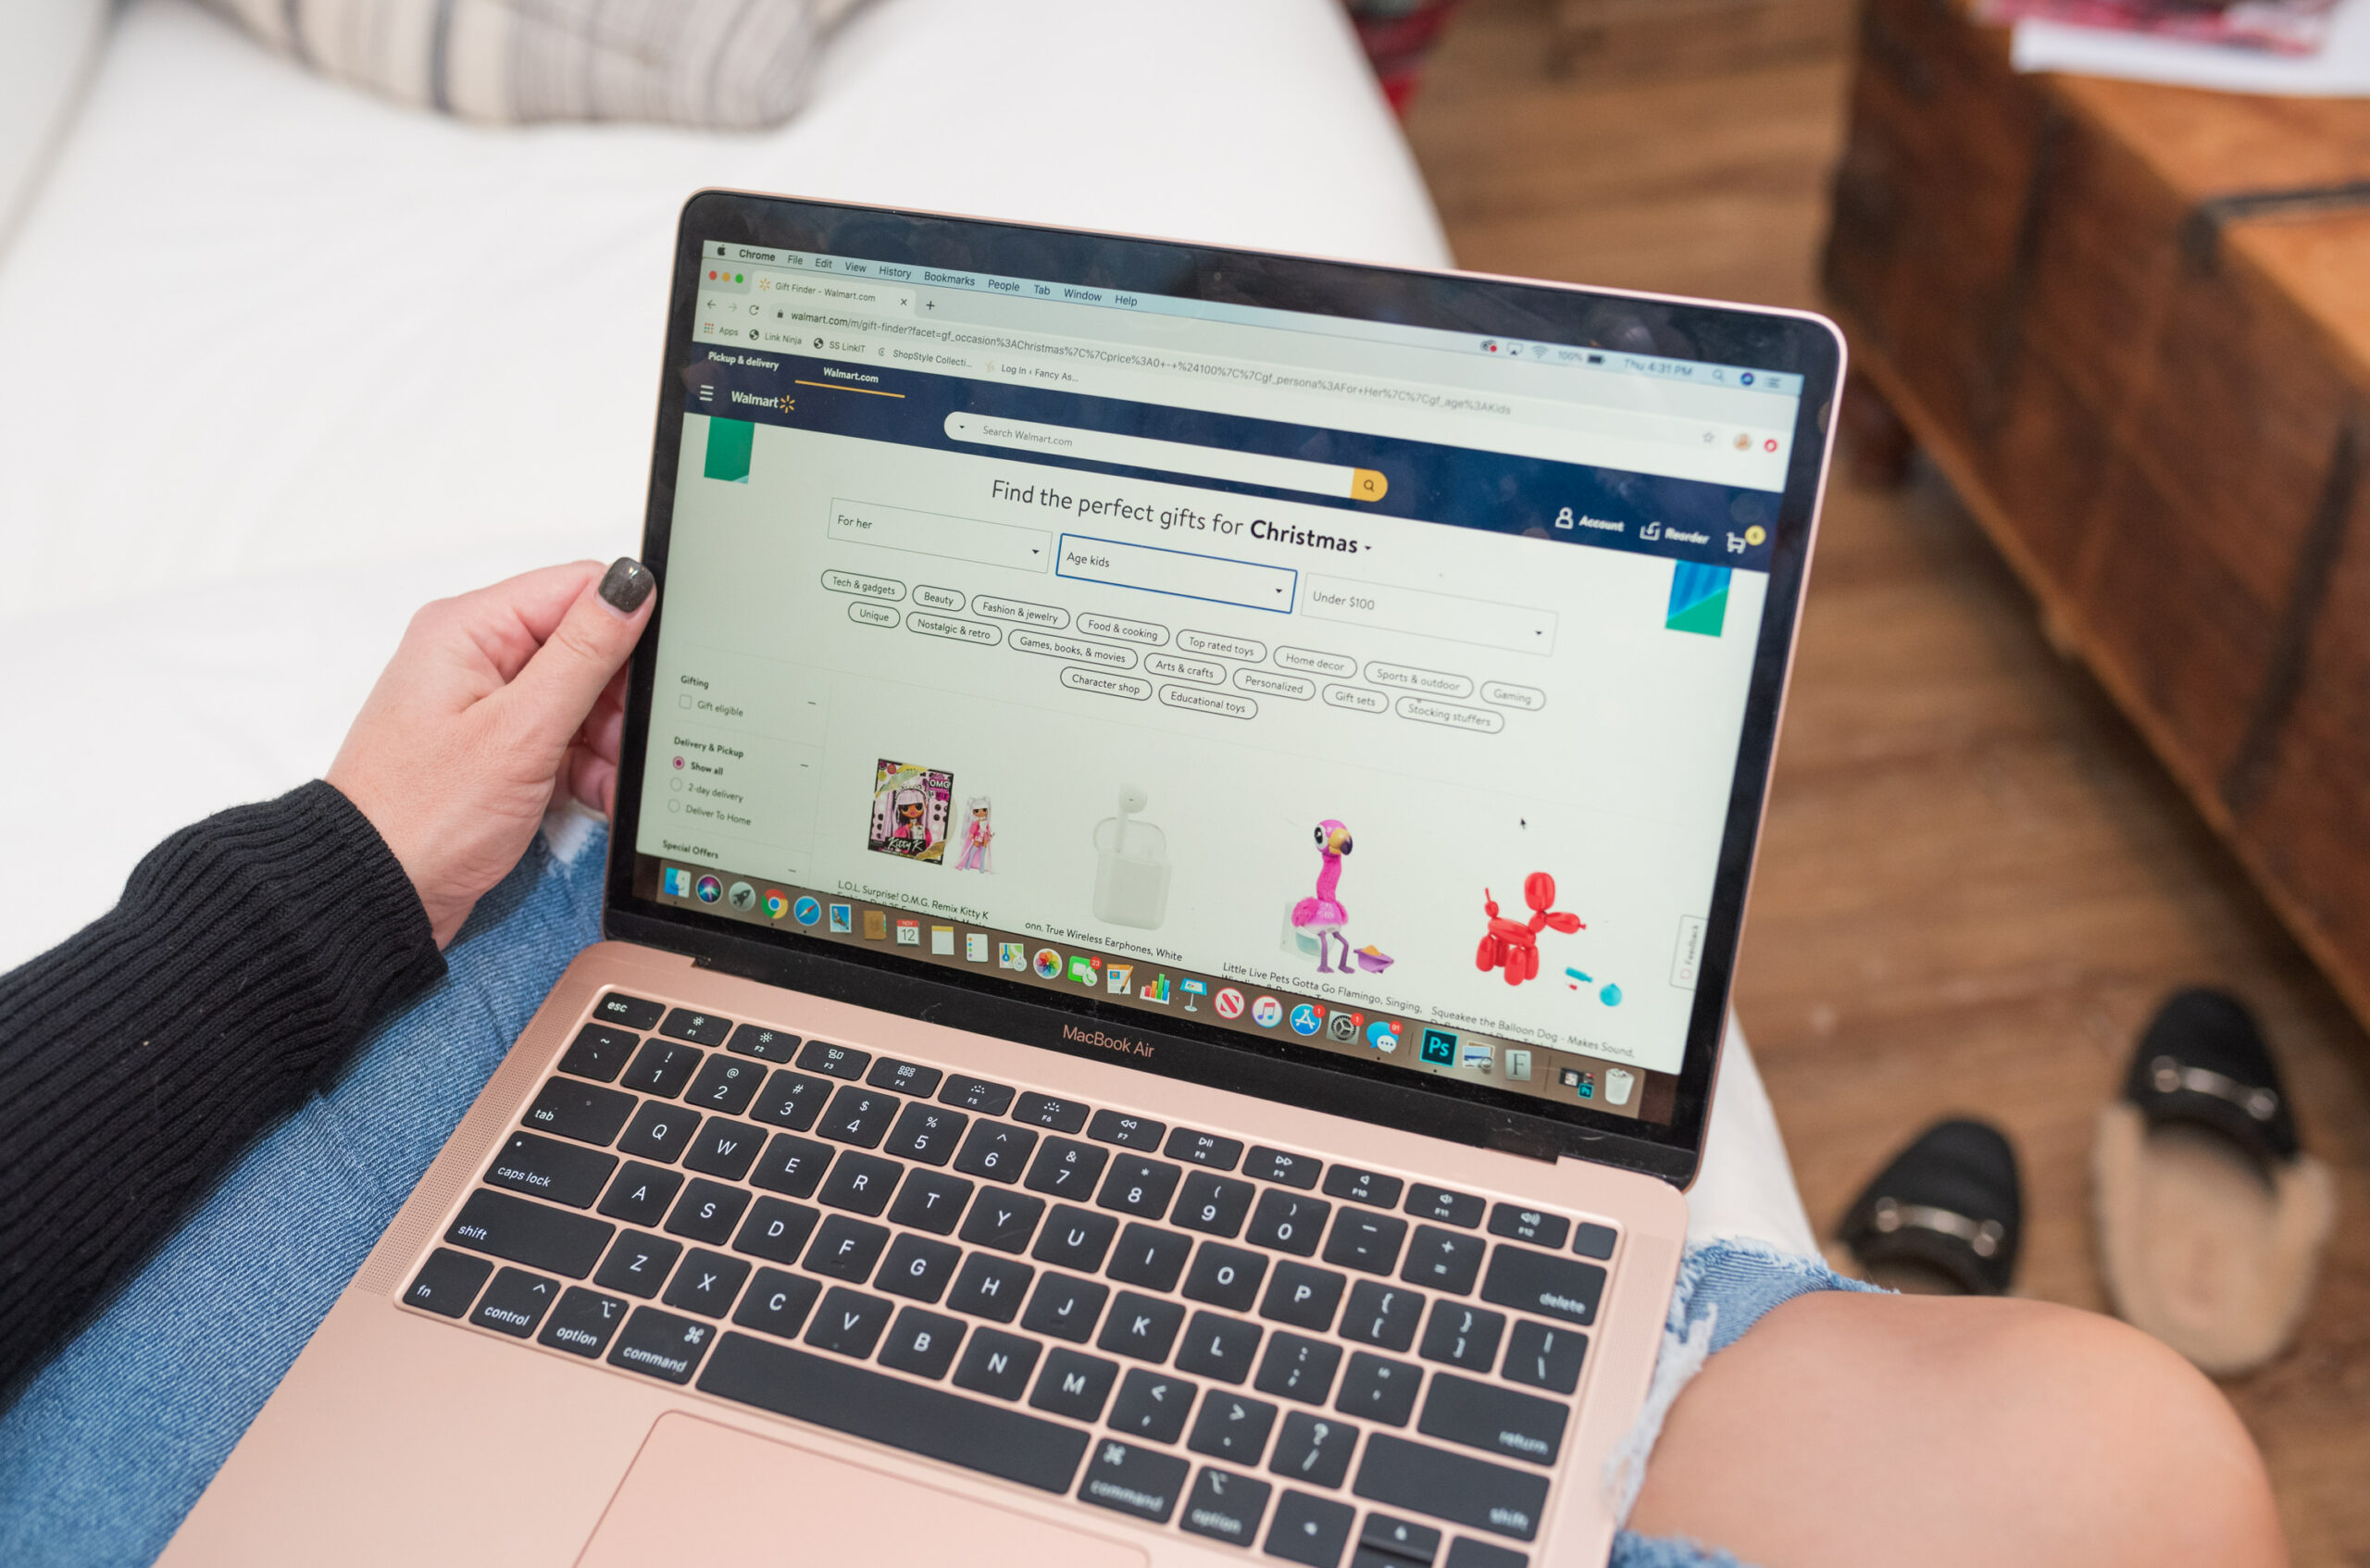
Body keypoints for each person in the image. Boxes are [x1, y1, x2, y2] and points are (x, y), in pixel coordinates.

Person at [0, 560, 2285, 1568]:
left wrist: (347, 874)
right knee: (2111, 1474)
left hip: (281, 1149)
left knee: (2113, 1463)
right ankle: (1787, 1296)